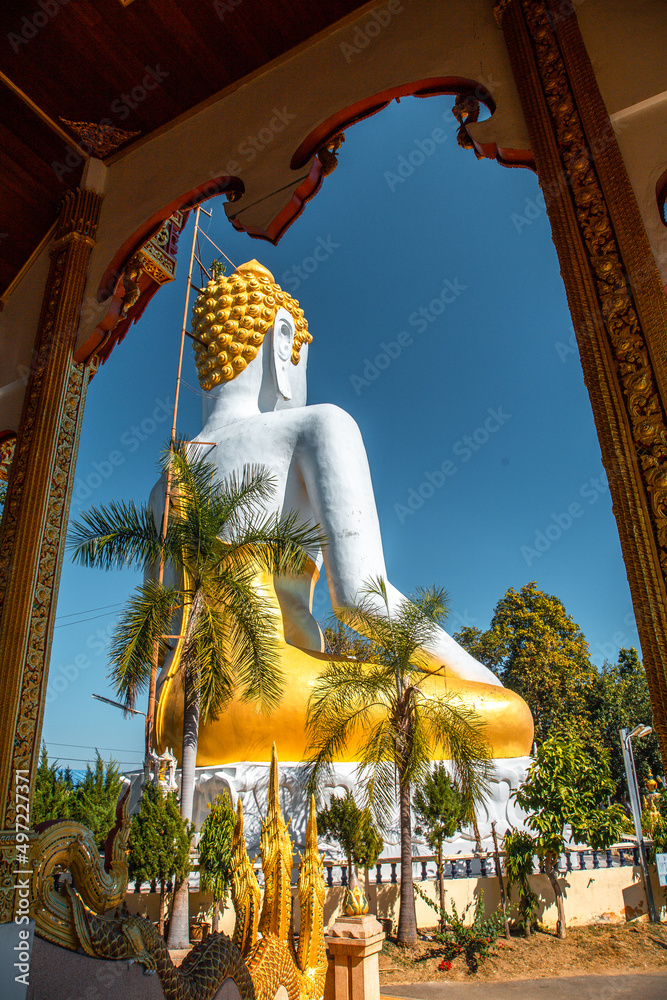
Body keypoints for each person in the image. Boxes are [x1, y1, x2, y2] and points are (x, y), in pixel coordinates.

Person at [154, 260, 533, 764]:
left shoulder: (168, 479)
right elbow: (360, 599)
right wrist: (481, 678)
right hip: (271, 696)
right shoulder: (314, 427)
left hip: (179, 716)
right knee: (509, 717)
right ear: (283, 341)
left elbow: (160, 636)